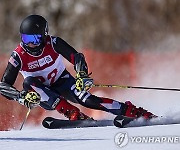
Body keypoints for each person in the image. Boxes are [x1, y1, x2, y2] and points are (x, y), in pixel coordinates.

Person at [0, 14, 156, 122]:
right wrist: (21, 97)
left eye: (35, 39)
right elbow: (3, 85)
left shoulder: (53, 43)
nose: (30, 44)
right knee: (29, 82)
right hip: (41, 93)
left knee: (88, 100)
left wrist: (82, 74)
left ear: (44, 34)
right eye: (26, 39)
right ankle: (72, 112)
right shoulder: (18, 55)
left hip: (63, 82)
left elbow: (76, 57)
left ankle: (131, 111)